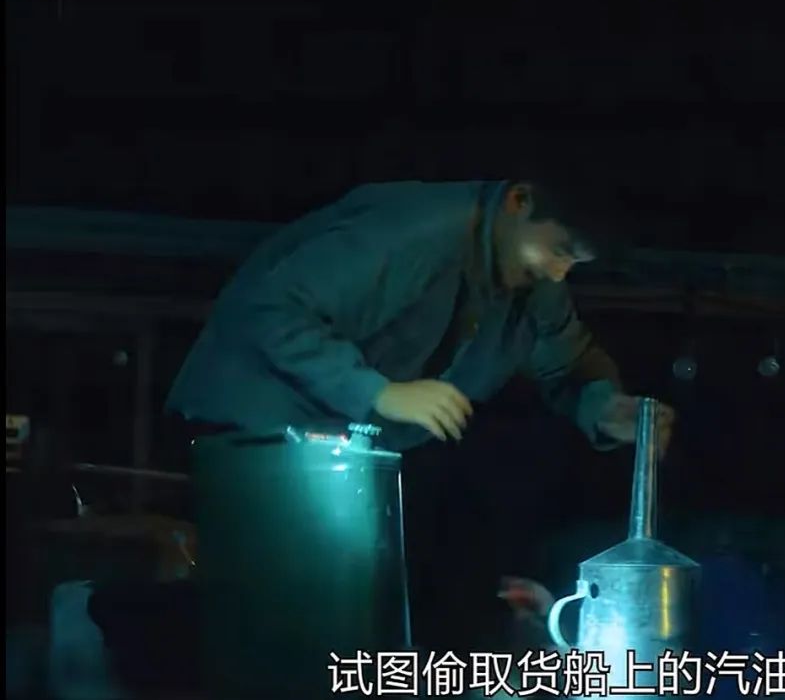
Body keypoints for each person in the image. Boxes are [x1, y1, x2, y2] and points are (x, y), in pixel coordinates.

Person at [165, 177, 675, 654]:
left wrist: (605, 407)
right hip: (252, 441)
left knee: (363, 633)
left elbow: (565, 361)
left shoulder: (532, 277)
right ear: (518, 202)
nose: (558, 272)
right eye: (559, 250)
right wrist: (378, 392)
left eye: (574, 263)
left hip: (348, 463)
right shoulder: (416, 231)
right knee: (282, 640)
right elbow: (273, 308)